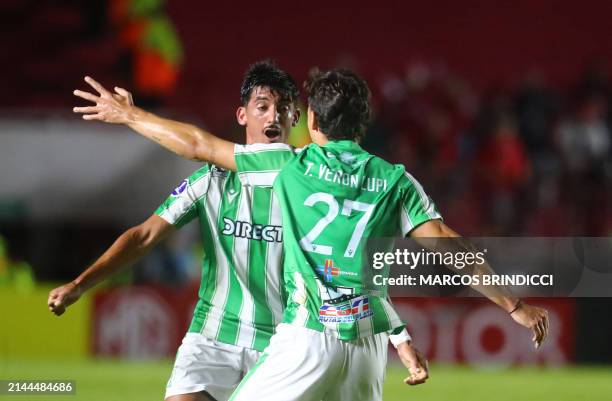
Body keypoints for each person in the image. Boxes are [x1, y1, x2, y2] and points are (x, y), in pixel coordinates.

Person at [72, 68, 549, 401]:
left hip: (306, 338)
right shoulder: (396, 180)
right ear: (364, 125)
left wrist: (130, 115)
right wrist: (515, 305)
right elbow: (447, 243)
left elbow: (198, 144)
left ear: (312, 123)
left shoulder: (289, 165)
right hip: (365, 352)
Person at [50, 61, 301, 401]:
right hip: (213, 337)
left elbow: (198, 145)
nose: (273, 117)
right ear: (242, 115)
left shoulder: (308, 180)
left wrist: (130, 115)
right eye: (263, 107)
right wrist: (81, 284)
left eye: (283, 109)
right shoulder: (211, 179)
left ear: (295, 119)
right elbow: (144, 236)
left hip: (282, 343)